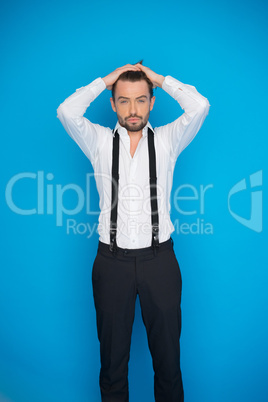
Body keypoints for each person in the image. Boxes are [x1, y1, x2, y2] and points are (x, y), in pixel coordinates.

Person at [56, 61, 210, 402]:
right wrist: (107, 80)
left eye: (141, 99)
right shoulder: (96, 140)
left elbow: (200, 106)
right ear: (112, 104)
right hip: (111, 264)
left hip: (161, 261)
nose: (133, 109)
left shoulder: (170, 138)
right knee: (112, 366)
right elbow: (66, 111)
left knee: (169, 364)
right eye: (123, 100)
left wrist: (158, 79)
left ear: (152, 102)